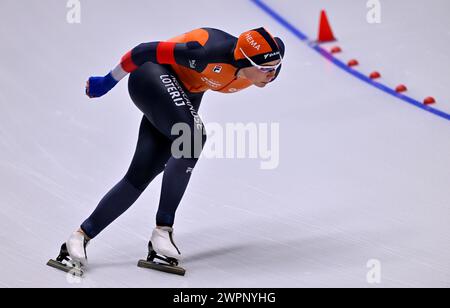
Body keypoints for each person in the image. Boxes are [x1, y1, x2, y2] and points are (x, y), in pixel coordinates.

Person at [48, 27, 285, 275]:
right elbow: (142, 51)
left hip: (183, 95)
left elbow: (273, 51)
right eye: (266, 69)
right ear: (242, 60)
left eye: (276, 67)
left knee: (141, 174)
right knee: (192, 138)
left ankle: (79, 237)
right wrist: (107, 82)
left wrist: (271, 65)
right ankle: (164, 230)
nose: (272, 74)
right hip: (151, 75)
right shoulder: (206, 52)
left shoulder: (270, 56)